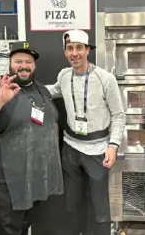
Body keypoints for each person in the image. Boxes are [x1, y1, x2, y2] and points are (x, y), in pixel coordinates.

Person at [0, 41, 64, 235]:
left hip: (34, 174)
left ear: (34, 65)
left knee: (24, 224)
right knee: (8, 227)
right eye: (18, 61)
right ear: (9, 63)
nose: (24, 65)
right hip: (5, 177)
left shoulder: (42, 90)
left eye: (28, 61)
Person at [47, 29, 126, 235]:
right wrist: (23, 86)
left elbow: (119, 115)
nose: (74, 53)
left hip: (98, 150)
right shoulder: (64, 75)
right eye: (70, 48)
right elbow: (53, 90)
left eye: (79, 48)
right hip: (71, 149)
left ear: (87, 50)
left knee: (99, 205)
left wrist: (113, 145)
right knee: (72, 203)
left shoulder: (105, 79)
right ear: (65, 52)